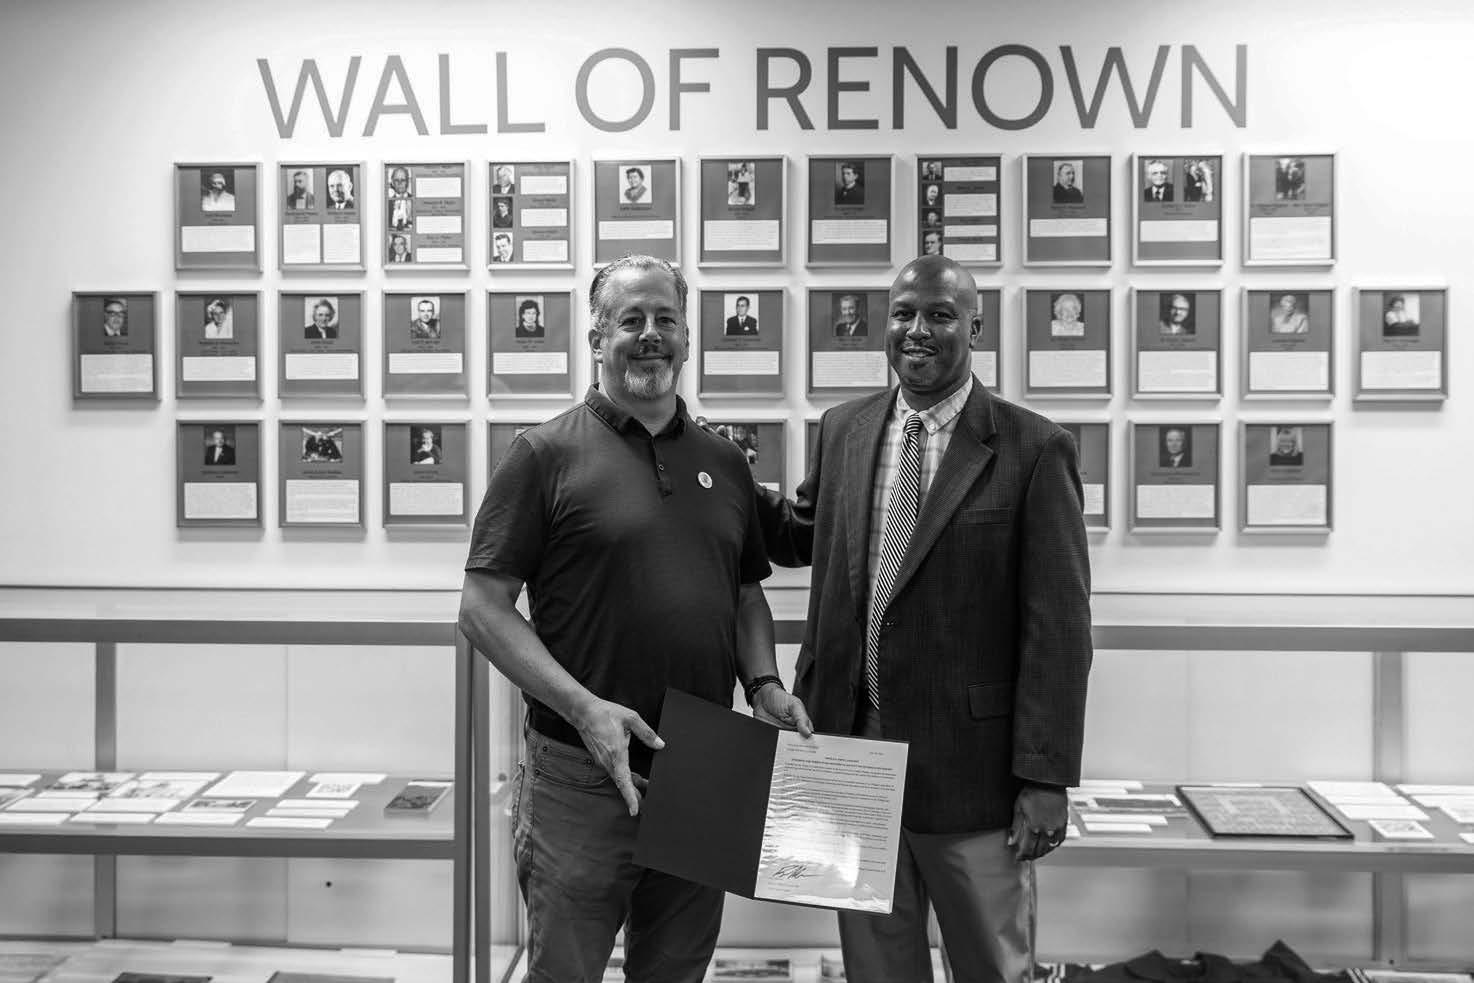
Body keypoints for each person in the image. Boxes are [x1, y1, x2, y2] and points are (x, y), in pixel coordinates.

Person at [457, 253, 812, 983]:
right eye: (631, 320)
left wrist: (765, 685)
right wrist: (586, 709)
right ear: (597, 338)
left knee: (677, 970)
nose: (650, 335)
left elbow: (745, 591)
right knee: (565, 973)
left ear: (687, 338)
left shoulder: (725, 460)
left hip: (702, 764)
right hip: (579, 772)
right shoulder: (543, 454)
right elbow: (482, 609)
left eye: (666, 319)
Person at [753, 254, 1092, 983]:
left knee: (992, 965)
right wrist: (716, 465)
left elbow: (1059, 631)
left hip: (974, 770)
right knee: (875, 966)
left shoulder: (1035, 449)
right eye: (904, 313)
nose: (918, 329)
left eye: (940, 314)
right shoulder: (844, 427)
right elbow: (798, 536)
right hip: (848, 748)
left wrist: (1046, 778)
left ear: (976, 327)